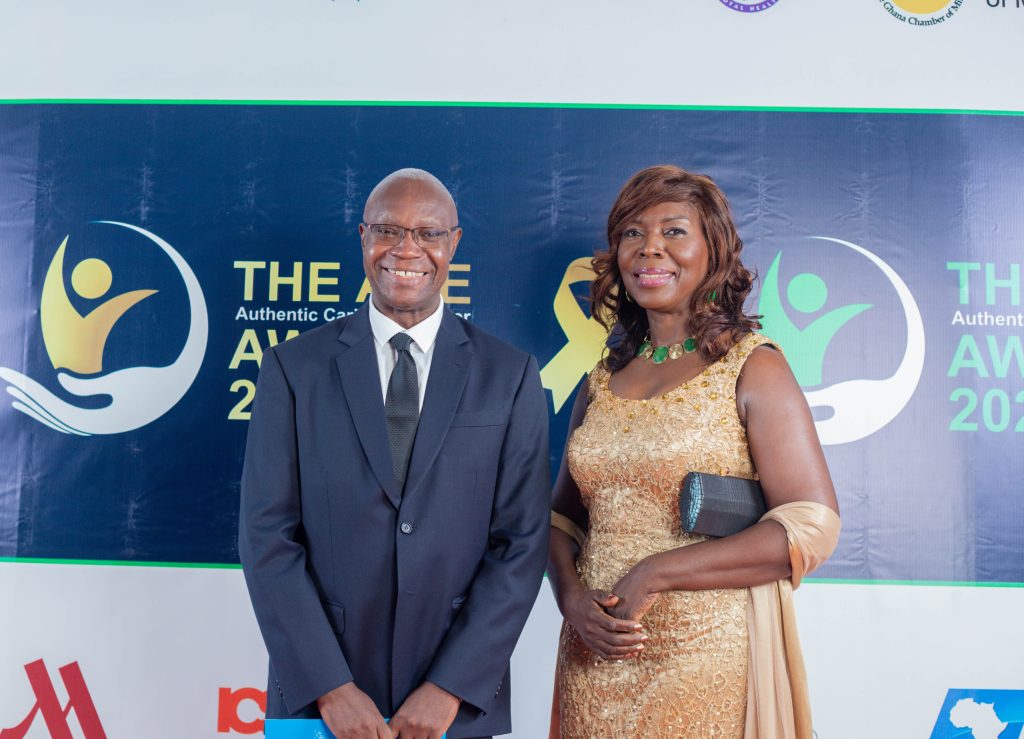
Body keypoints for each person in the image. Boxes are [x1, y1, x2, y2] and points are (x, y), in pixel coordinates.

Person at [239, 168, 550, 739]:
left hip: (454, 706)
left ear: (453, 243)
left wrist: (451, 686)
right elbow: (266, 537)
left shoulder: (510, 375)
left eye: (428, 233)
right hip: (320, 703)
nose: (407, 249)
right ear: (363, 237)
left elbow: (522, 543)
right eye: (388, 230)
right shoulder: (293, 368)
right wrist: (329, 687)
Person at [547, 165, 841, 739]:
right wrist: (572, 600)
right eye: (632, 233)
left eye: (674, 231)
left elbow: (811, 524)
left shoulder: (753, 366)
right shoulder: (600, 380)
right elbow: (561, 520)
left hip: (706, 659)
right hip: (595, 657)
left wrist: (656, 573)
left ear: (715, 251)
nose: (649, 248)